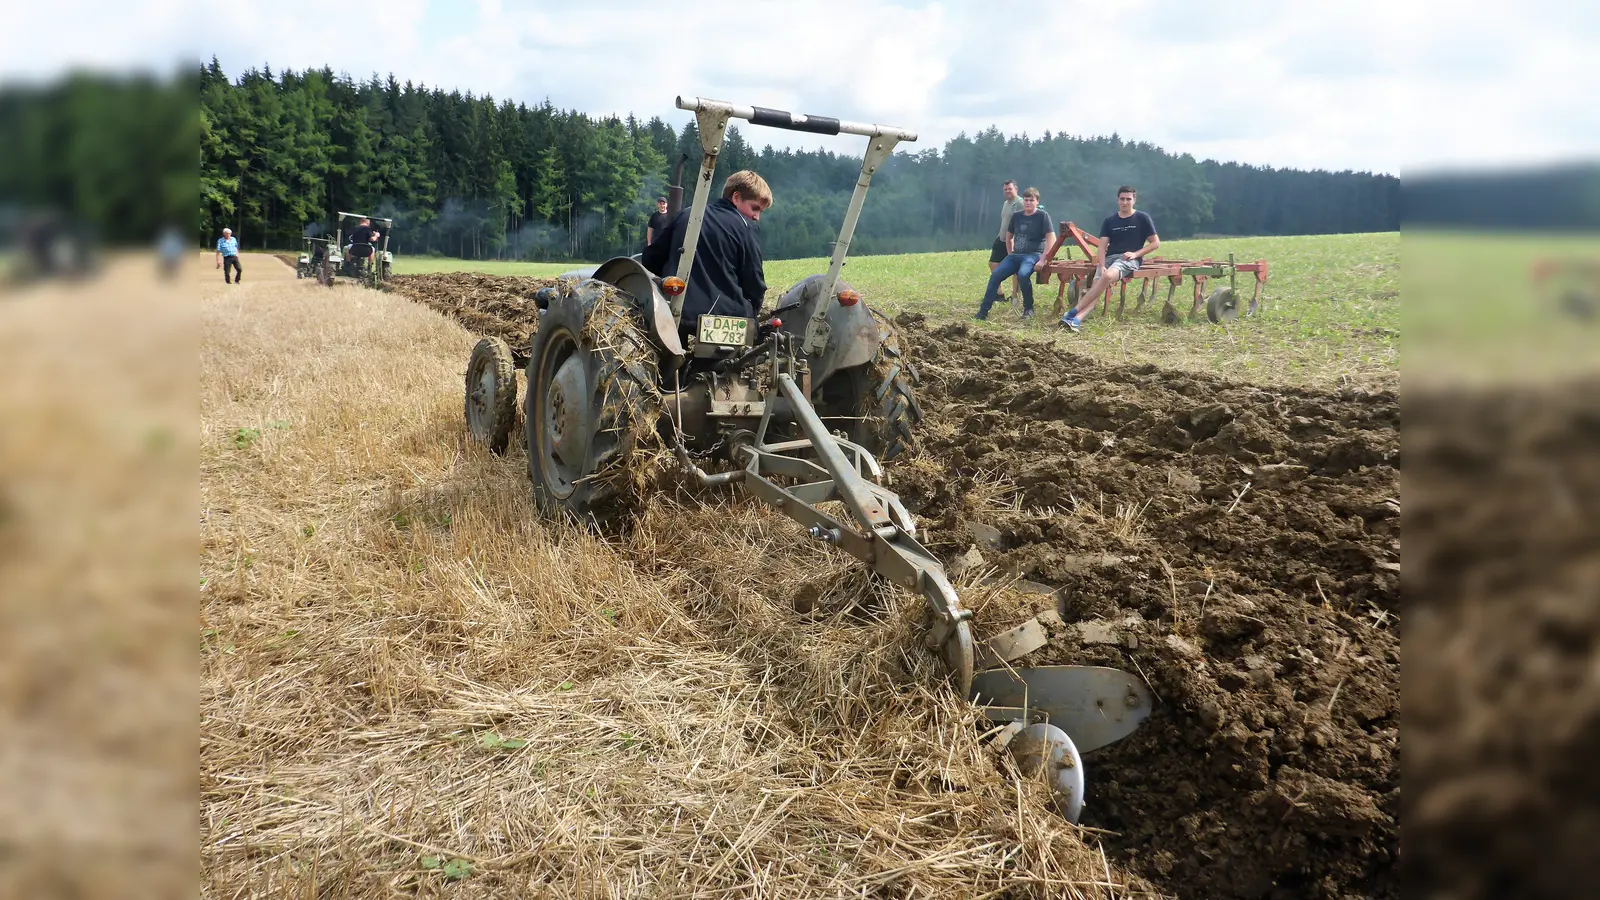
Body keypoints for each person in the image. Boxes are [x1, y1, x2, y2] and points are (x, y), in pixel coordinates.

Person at [641, 169, 770, 325]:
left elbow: (650, 259)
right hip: (730, 319)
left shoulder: (686, 215)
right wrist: (753, 310)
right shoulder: (746, 227)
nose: (757, 217)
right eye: (755, 208)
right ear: (736, 197)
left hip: (678, 315)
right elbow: (754, 282)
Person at [1058, 185, 1160, 332]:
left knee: (1107, 277)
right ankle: (1076, 321)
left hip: (1128, 259)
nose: (1125, 202)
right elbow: (1102, 246)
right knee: (1096, 289)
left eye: (1128, 199)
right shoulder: (1110, 221)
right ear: (1117, 200)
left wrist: (1136, 254)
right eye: (1122, 199)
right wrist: (1101, 265)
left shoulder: (1142, 218)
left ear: (1134, 200)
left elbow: (1155, 243)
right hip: (1109, 258)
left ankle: (1073, 312)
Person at [975, 187, 1056, 321]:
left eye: (1031, 200)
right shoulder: (1017, 216)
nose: (1028, 203)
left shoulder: (1042, 216)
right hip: (1015, 255)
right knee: (995, 276)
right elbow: (1009, 236)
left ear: (1037, 201)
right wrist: (1010, 254)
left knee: (1023, 275)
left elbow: (1051, 239)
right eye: (1026, 200)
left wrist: (1043, 260)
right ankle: (983, 311)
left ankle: (1029, 309)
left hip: (1033, 255)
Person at [989, 180, 1025, 303]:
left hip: (1014, 240)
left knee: (1016, 269)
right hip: (1001, 238)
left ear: (1016, 189)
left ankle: (1015, 296)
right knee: (993, 264)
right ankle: (999, 294)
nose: (1008, 191)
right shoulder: (1006, 203)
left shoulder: (1020, 203)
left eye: (1010, 189)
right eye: (1005, 189)